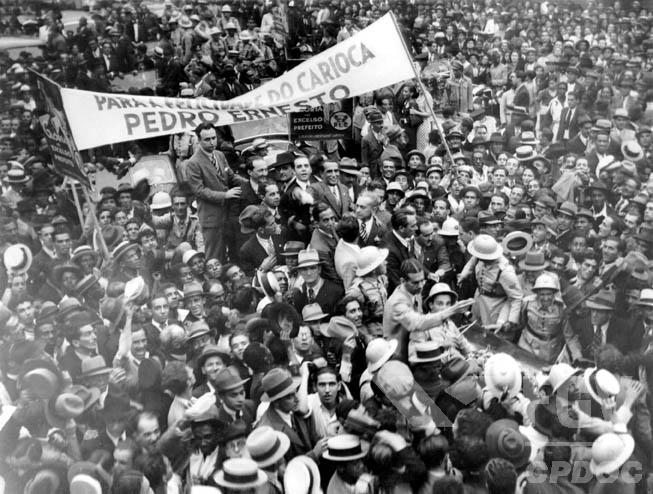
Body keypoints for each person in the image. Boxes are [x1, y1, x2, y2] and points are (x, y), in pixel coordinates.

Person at [186, 123, 247, 262]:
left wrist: (250, 184)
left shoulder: (219, 155)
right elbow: (199, 191)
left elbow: (231, 176)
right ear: (199, 140)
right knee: (214, 256)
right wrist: (225, 195)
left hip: (228, 214)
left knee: (232, 252)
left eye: (214, 138)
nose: (212, 142)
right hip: (211, 217)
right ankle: (214, 283)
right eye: (207, 139)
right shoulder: (193, 163)